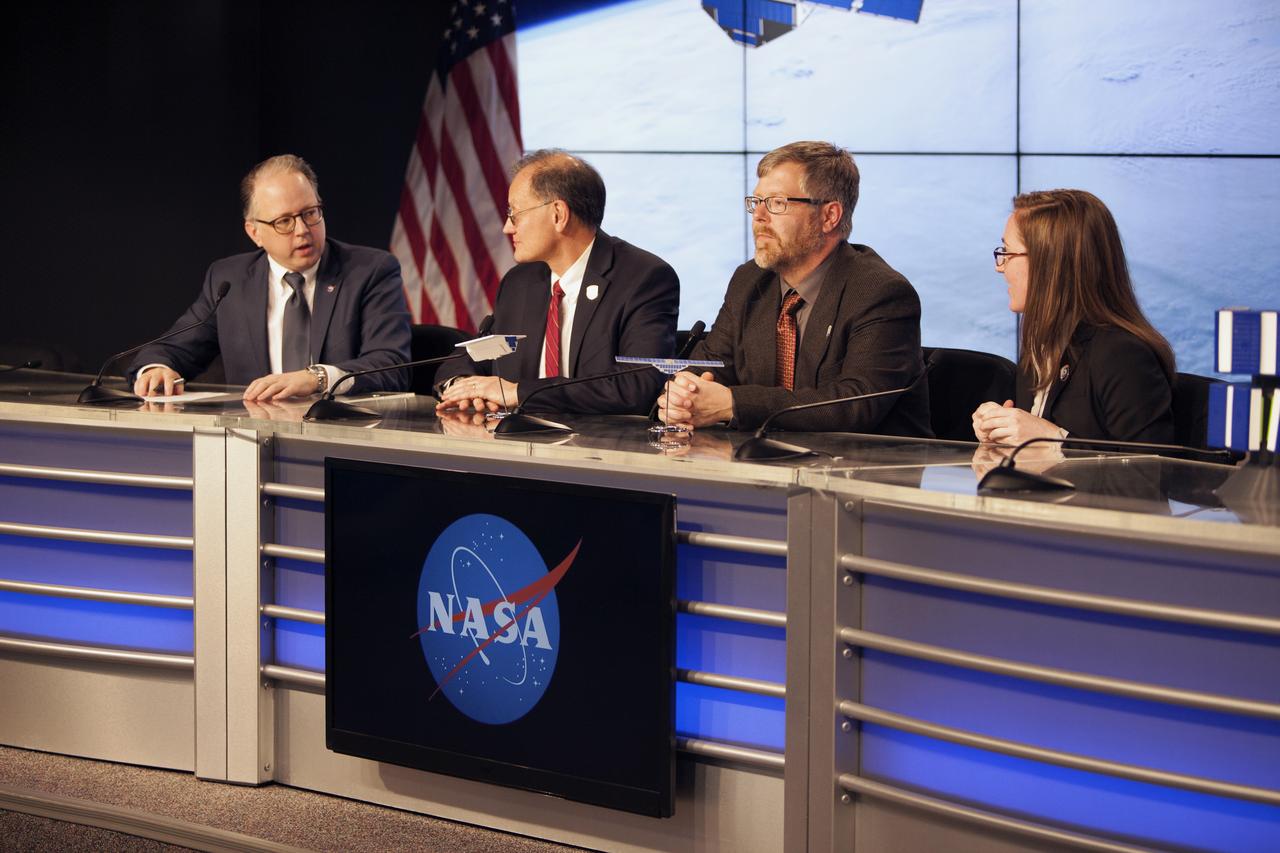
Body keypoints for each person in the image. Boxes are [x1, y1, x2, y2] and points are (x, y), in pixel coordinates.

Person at [656, 141, 931, 436]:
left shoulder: (880, 292)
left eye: (776, 203)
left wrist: (733, 404)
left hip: (868, 470)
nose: (759, 216)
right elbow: (710, 367)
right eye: (756, 202)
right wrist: (684, 396)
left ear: (829, 216)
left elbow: (854, 404)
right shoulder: (749, 280)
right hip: (761, 465)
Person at [130, 155, 412, 400]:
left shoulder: (370, 271)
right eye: (284, 222)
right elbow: (172, 350)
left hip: (346, 440)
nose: (302, 229)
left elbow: (391, 365)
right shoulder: (231, 280)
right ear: (254, 233)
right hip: (255, 444)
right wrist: (157, 369)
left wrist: (318, 378)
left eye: (310, 213)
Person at [434, 150, 679, 415]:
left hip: (600, 448)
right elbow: (472, 357)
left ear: (558, 214)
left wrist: (517, 392)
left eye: (514, 213)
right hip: (516, 446)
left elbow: (638, 385)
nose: (507, 227)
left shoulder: (643, 278)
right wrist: (462, 386)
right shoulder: (519, 283)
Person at [972, 189, 1175, 446]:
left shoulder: (1123, 355)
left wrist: (1052, 441)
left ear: (1051, 263)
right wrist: (1003, 433)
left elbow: (1145, 476)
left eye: (1008, 253)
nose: (999, 267)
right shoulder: (1040, 347)